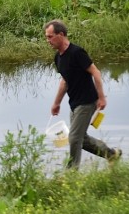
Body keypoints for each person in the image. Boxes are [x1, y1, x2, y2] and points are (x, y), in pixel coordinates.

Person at [44, 19, 121, 168]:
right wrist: (56, 103)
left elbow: (96, 72)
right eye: (46, 37)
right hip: (74, 103)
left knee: (73, 138)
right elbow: (64, 81)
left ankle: (71, 173)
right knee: (81, 139)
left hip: (87, 102)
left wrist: (101, 97)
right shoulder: (58, 57)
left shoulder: (77, 52)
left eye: (50, 36)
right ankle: (112, 154)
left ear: (61, 34)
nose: (48, 40)